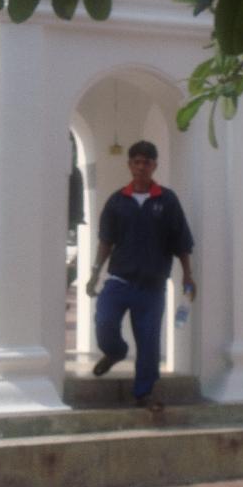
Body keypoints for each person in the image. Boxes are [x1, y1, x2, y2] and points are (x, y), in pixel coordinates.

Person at [86, 140, 196, 408]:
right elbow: (105, 241)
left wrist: (188, 275)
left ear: (154, 165)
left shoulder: (167, 200)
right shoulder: (117, 201)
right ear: (129, 165)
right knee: (104, 321)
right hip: (119, 280)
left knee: (148, 342)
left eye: (147, 162)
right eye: (136, 161)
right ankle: (115, 352)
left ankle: (144, 392)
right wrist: (94, 273)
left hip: (152, 285)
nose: (141, 166)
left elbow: (181, 239)